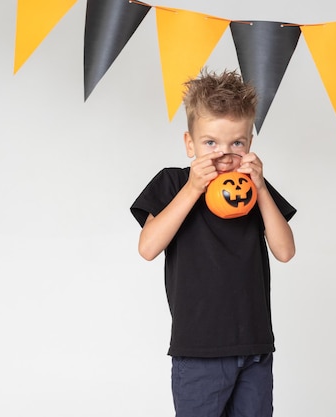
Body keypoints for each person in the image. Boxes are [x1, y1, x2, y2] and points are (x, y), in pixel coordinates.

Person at [130, 68, 296, 417]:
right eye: (210, 143)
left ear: (250, 143)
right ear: (189, 143)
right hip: (199, 350)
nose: (224, 154)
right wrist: (193, 188)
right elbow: (148, 247)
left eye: (237, 143)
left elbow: (285, 251)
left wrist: (262, 189)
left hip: (254, 346)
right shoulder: (173, 183)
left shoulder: (250, 190)